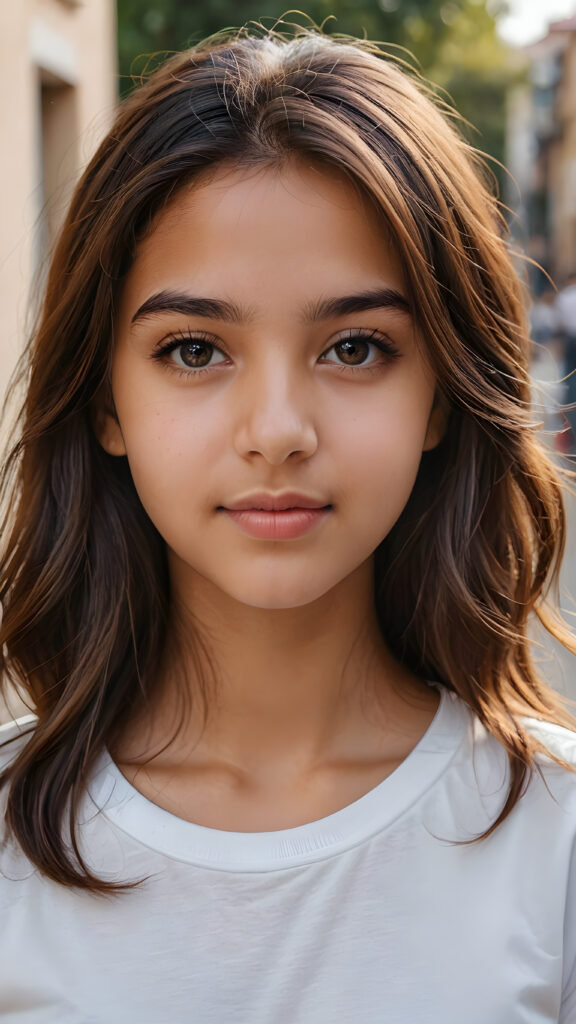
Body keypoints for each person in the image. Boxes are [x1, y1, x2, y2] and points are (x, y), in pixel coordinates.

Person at [1, 24, 576, 1023]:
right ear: (104, 401)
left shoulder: (556, 843)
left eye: (355, 347)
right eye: (192, 350)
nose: (277, 431)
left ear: (442, 393)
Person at [556, 272, 576, 454]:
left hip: (571, 340)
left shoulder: (565, 296)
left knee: (569, 377)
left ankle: (569, 406)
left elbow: (560, 325)